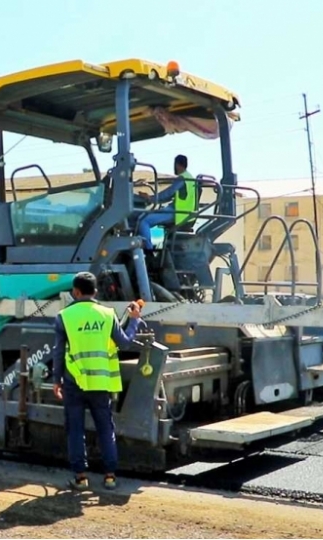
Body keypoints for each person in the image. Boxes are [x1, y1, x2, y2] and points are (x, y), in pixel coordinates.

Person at [51, 272, 143, 492]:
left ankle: (81, 478)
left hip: (74, 382)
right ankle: (110, 477)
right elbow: (125, 343)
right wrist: (134, 320)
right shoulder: (107, 314)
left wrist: (56, 380)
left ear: (75, 292)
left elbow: (58, 352)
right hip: (101, 383)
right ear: (95, 291)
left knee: (75, 429)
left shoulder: (64, 316)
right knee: (105, 429)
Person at [136, 154, 199, 252]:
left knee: (143, 220)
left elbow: (167, 194)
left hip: (178, 213)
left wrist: (150, 198)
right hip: (187, 214)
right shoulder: (190, 178)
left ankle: (148, 251)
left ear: (177, 165)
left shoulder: (182, 178)